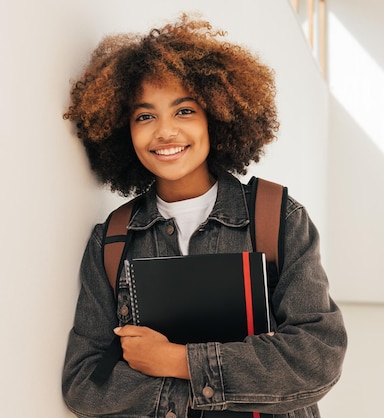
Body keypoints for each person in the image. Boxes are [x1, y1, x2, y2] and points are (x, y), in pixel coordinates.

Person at [61, 13, 347, 418]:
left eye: (184, 111)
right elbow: (85, 383)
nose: (164, 132)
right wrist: (210, 386)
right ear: (123, 131)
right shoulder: (111, 241)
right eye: (145, 116)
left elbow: (316, 357)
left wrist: (177, 361)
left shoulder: (277, 217)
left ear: (216, 116)